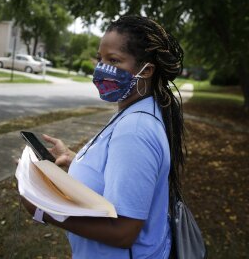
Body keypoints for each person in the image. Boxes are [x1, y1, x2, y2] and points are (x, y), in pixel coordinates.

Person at [20, 15, 186, 258]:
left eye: (114, 60)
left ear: (146, 70)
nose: (102, 68)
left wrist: (44, 211)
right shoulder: (136, 110)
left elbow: (123, 233)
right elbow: (122, 172)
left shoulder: (136, 130)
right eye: (100, 58)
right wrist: (74, 159)